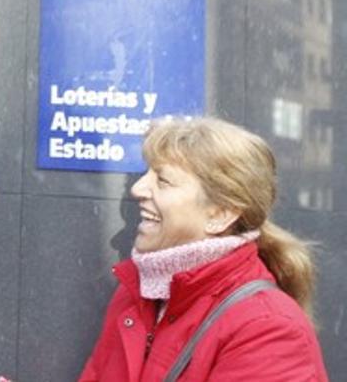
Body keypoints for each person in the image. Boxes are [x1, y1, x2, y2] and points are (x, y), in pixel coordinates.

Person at [79, 117, 328, 381]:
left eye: (163, 181)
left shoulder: (269, 328)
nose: (138, 188)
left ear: (220, 214)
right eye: (146, 174)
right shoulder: (135, 295)